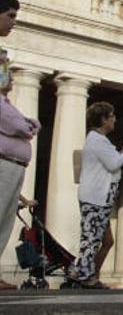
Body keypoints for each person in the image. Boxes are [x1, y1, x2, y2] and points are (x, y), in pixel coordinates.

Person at [70, 102, 123, 289]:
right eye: (112, 116)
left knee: (106, 240)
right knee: (91, 238)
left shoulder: (98, 140)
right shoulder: (97, 140)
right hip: (95, 198)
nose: (115, 119)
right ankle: (82, 274)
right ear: (103, 119)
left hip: (100, 198)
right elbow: (114, 164)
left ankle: (88, 273)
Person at [0, 76, 39, 290]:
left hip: (13, 165)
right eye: (6, 75)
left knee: (4, 223)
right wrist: (29, 125)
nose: (12, 79)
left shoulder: (7, 104)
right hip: (4, 163)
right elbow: (21, 126)